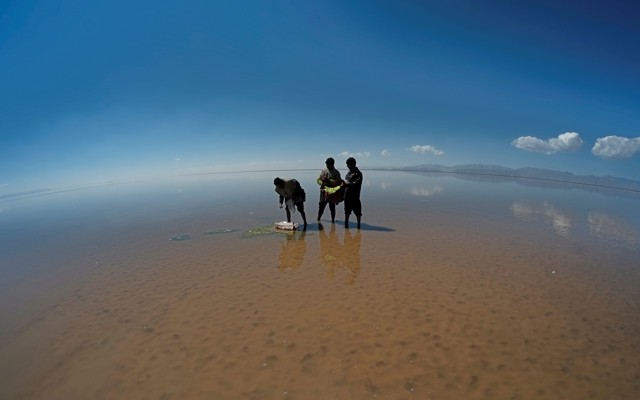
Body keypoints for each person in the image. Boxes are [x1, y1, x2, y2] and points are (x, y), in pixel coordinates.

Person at [316, 157, 342, 223]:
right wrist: (323, 182)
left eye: (327, 164)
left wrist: (329, 181)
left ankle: (333, 221)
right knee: (321, 207)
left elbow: (338, 183)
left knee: (332, 208)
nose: (326, 165)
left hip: (332, 194)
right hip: (323, 192)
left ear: (332, 164)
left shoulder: (336, 173)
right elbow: (318, 180)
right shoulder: (323, 171)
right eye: (326, 164)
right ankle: (318, 220)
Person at [342, 157, 363, 229]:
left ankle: (358, 226)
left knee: (358, 213)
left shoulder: (358, 174)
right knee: (346, 212)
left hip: (355, 197)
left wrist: (347, 183)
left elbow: (356, 183)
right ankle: (346, 225)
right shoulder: (348, 173)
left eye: (348, 164)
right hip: (347, 196)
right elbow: (345, 184)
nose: (347, 166)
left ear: (353, 164)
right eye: (347, 165)